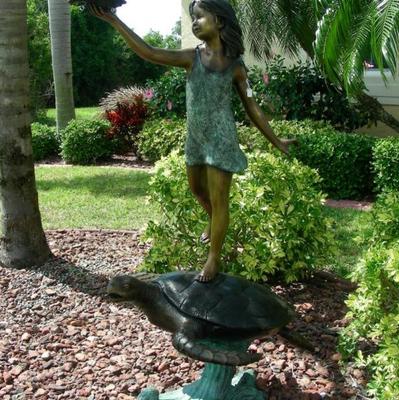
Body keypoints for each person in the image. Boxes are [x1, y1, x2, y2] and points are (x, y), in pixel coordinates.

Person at [90, 0, 296, 282]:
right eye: (192, 18)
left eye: (200, 17)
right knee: (197, 190)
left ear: (220, 21)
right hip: (196, 139)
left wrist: (276, 140)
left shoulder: (235, 67)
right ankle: (213, 222)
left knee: (220, 198)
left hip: (221, 139)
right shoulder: (191, 58)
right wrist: (115, 21)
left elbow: (252, 107)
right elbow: (149, 52)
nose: (194, 23)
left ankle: (214, 257)